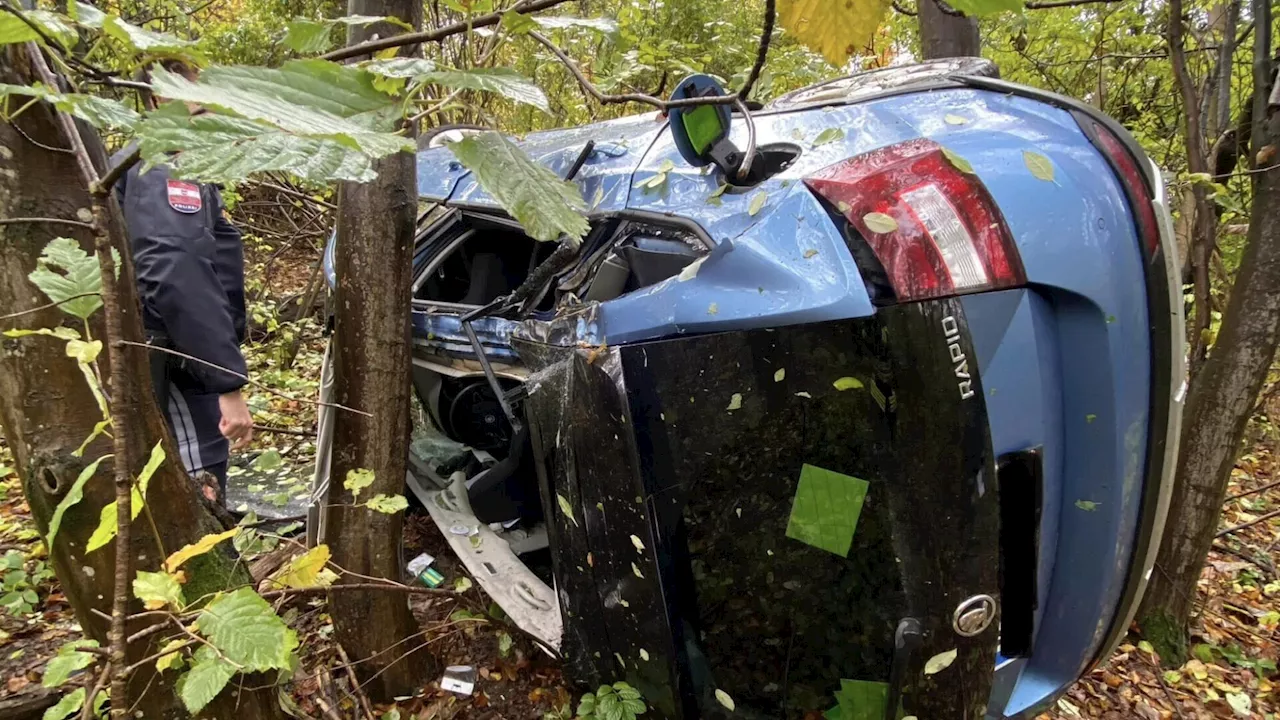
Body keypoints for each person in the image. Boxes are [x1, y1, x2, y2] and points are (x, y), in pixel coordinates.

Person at [113, 60, 252, 500]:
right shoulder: (164, 163)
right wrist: (227, 383)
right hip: (170, 353)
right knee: (199, 482)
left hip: (177, 349)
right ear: (159, 99)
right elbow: (177, 270)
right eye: (196, 92)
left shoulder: (170, 161)